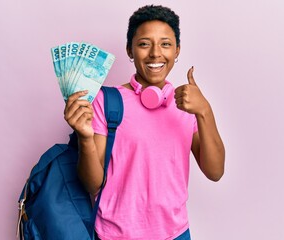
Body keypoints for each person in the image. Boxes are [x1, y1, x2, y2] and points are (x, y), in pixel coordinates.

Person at [64, 5, 225, 240]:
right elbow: (92, 185)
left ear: (177, 50)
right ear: (130, 50)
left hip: (176, 234)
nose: (155, 53)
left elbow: (215, 171)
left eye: (166, 44)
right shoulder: (106, 101)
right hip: (114, 235)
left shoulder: (189, 104)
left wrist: (205, 112)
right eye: (144, 44)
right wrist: (85, 138)